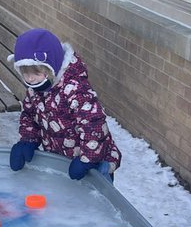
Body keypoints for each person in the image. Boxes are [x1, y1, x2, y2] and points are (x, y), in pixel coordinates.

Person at [7, 28, 121, 179]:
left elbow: (92, 124)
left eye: (36, 73)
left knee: (91, 198)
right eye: (25, 73)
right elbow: (30, 115)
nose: (30, 79)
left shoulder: (75, 89)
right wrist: (28, 140)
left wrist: (88, 159)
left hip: (95, 162)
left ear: (51, 67)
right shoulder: (36, 89)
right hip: (63, 158)